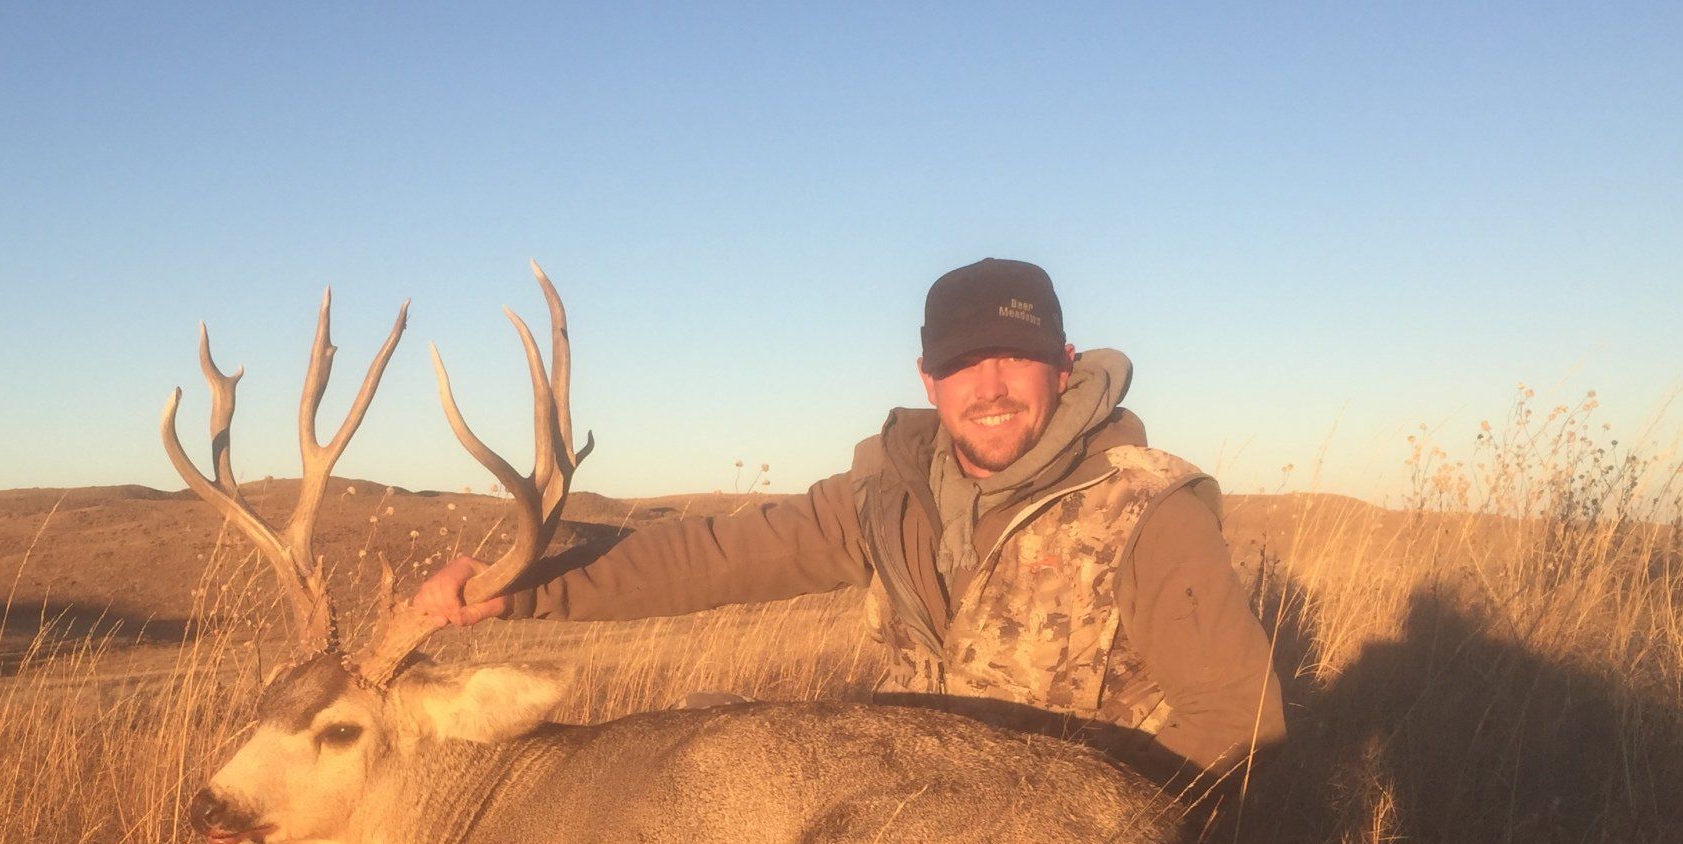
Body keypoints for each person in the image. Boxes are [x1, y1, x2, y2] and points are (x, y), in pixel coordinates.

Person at [413, 257, 1285, 786]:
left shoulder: (1146, 511)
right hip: (915, 816)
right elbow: (711, 557)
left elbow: (1237, 717)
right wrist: (514, 590)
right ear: (926, 378)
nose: (990, 386)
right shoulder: (883, 499)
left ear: (1063, 366)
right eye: (963, 362)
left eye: (1016, 356)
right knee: (704, 740)